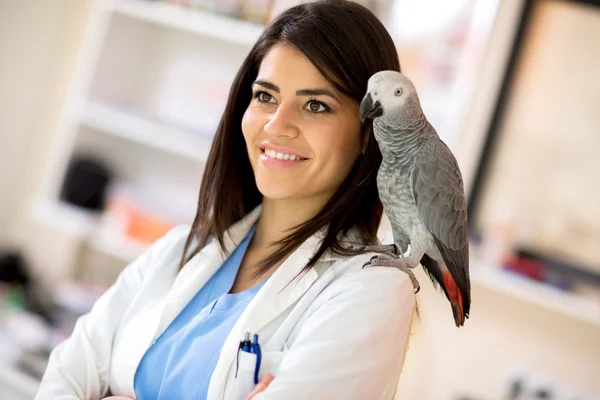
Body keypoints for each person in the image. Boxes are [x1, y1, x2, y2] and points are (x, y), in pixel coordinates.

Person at [35, 1, 416, 399]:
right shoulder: (178, 249)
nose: (276, 125)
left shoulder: (372, 289)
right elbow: (65, 374)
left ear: (367, 133)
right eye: (266, 97)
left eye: (316, 105)